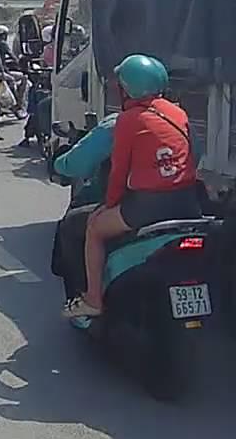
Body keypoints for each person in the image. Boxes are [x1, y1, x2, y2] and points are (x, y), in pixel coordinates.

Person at [63, 55, 201, 318]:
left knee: (94, 228)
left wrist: (109, 205)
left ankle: (93, 299)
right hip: (187, 202)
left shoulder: (128, 120)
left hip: (147, 207)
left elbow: (118, 172)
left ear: (126, 89)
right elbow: (195, 154)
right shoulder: (178, 113)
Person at [50, 112, 119, 301]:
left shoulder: (117, 125)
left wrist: (58, 164)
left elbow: (74, 163)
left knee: (72, 225)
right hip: (181, 206)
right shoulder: (176, 118)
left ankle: (85, 297)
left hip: (135, 206)